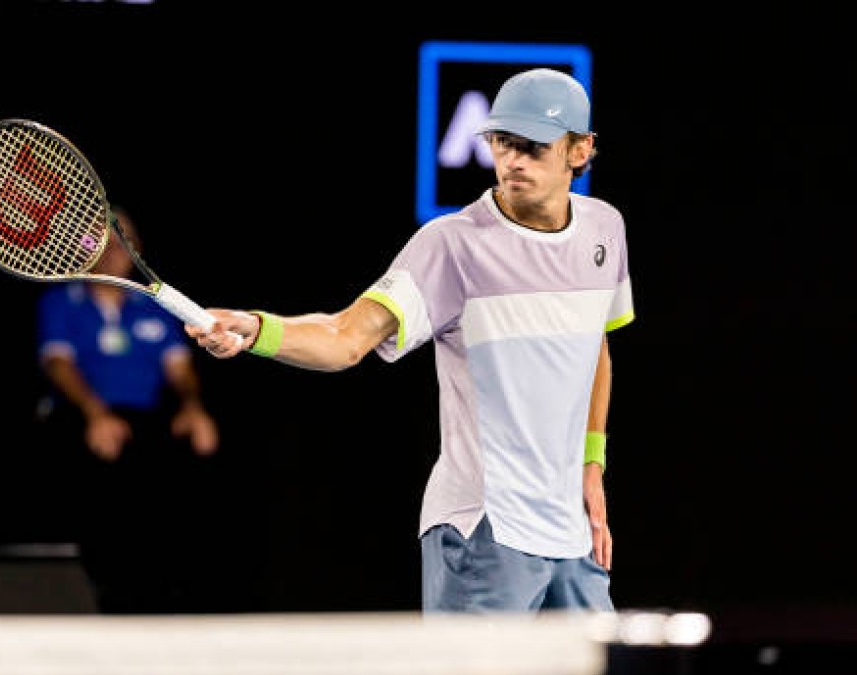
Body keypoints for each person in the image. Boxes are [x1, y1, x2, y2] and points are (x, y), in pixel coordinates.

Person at [187, 68, 631, 614]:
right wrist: (258, 328)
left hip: (572, 537)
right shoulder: (450, 246)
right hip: (484, 531)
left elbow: (596, 350)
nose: (513, 160)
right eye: (502, 143)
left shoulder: (605, 230)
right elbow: (346, 336)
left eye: (534, 148)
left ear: (580, 151)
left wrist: (592, 466)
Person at [36, 205, 222, 614]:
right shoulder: (61, 302)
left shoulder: (152, 306)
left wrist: (193, 408)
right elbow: (58, 365)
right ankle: (103, 599)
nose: (110, 248)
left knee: (190, 454)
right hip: (81, 418)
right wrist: (95, 414)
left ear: (136, 248)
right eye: (95, 239)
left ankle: (174, 604)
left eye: (122, 238)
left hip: (144, 423)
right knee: (101, 477)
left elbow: (180, 369)